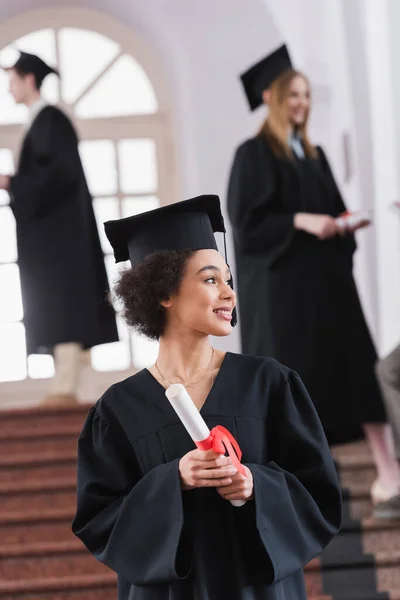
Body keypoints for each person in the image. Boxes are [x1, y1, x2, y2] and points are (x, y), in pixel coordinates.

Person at [72, 195, 341, 599]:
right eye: (211, 280)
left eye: (229, 281)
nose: (230, 294)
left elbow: (317, 493)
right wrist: (173, 480)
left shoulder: (268, 384)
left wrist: (255, 485)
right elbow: (100, 521)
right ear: (164, 293)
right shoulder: (117, 411)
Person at [227, 44, 400, 516]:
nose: (301, 102)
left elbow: (333, 211)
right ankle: (309, 489)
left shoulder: (316, 154)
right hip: (286, 297)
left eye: (305, 94)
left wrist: (344, 223)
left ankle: (390, 475)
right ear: (271, 98)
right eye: (292, 94)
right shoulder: (254, 154)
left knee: (360, 376)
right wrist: (302, 221)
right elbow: (247, 224)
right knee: (301, 387)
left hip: (328, 288)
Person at [0, 51, 118, 405]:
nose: (8, 88)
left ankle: (68, 387)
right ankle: (67, 382)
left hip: (61, 241)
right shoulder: (42, 121)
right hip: (56, 239)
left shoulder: (50, 120)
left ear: (28, 79)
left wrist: (13, 183)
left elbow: (58, 176)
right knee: (58, 304)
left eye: (12, 79)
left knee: (65, 304)